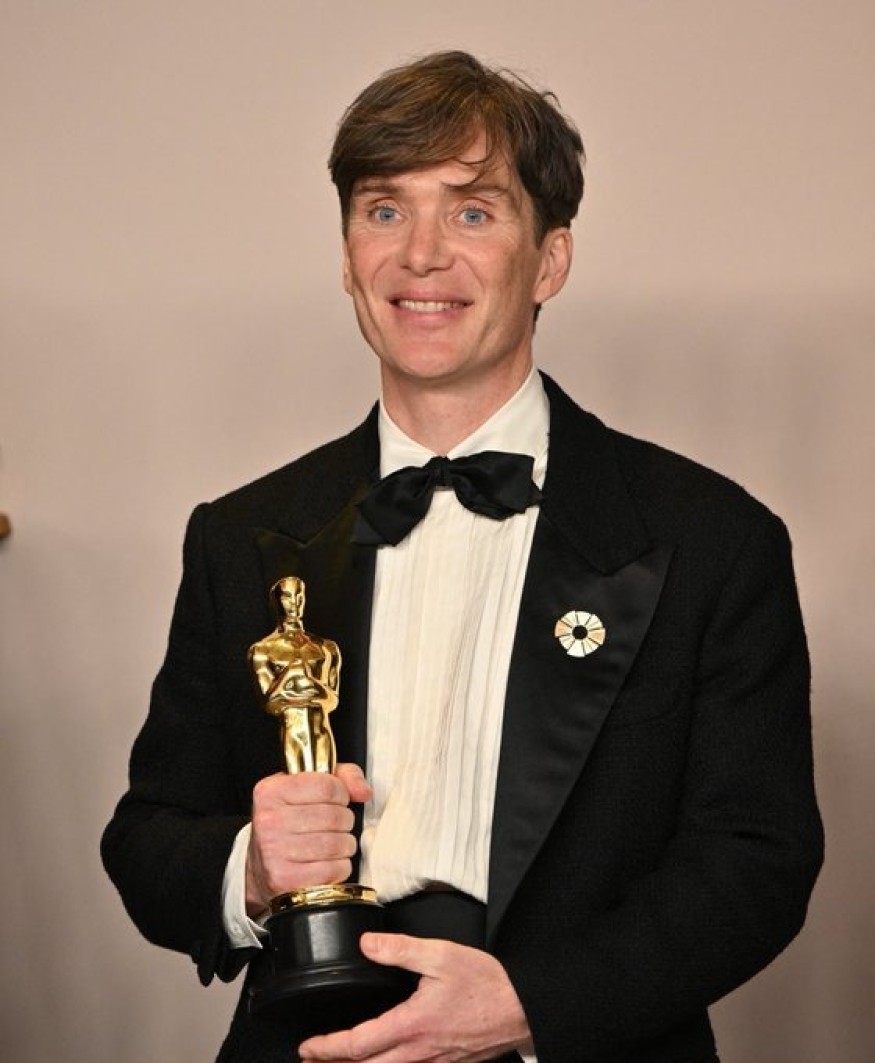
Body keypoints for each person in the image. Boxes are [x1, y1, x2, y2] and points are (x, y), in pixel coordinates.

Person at [102, 51, 823, 1063]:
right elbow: (148, 835)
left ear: (550, 259)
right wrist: (249, 868)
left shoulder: (711, 536)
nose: (420, 255)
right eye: (383, 210)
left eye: (472, 212)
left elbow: (756, 857)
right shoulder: (241, 533)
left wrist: (532, 1003)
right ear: (347, 254)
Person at [249, 576, 341, 775]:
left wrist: (297, 683)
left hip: (321, 730)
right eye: (287, 597)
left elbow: (333, 699)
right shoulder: (263, 650)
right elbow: (270, 702)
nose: (294, 603)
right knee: (300, 784)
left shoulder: (326, 648)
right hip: (292, 729)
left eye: (299, 597)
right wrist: (296, 677)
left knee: (327, 782)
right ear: (277, 602)